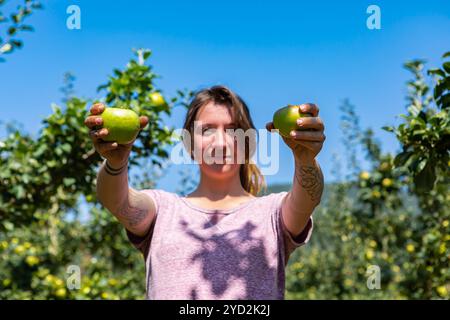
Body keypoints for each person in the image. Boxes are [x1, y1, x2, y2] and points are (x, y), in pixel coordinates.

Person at [84, 85, 326, 299]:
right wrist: (116, 163)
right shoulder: (163, 210)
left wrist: (305, 159)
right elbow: (117, 200)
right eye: (207, 130)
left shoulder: (272, 212)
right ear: (189, 143)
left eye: (233, 131)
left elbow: (308, 199)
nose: (220, 143)